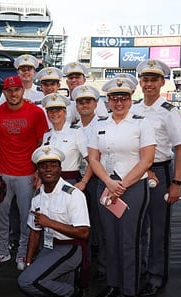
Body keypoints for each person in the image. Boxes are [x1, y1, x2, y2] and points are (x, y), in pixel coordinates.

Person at [88, 78, 156, 297]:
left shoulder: (141, 123)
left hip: (133, 186)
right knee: (109, 238)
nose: (119, 102)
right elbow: (93, 158)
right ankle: (112, 283)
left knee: (129, 239)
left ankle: (128, 287)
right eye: (114, 98)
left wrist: (122, 185)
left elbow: (147, 160)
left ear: (130, 100)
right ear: (108, 101)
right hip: (106, 185)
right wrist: (109, 182)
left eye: (124, 98)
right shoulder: (99, 124)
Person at [131, 59, 181, 297]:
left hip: (161, 172)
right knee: (139, 226)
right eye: (145, 79)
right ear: (140, 82)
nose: (149, 84)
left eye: (154, 79)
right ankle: (141, 269)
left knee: (159, 228)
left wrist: (176, 183)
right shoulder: (134, 109)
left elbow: (180, 149)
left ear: (162, 82)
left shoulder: (169, 112)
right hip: (136, 173)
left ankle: (157, 276)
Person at [18, 145, 90, 297]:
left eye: (52, 165)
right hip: (48, 247)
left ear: (60, 169)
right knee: (39, 280)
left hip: (69, 247)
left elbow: (84, 232)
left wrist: (50, 223)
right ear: (38, 171)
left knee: (27, 282)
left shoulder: (73, 195)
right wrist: (29, 263)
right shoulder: (37, 197)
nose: (48, 169)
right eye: (43, 166)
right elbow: (35, 232)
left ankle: (72, 293)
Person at [0, 75, 49, 270]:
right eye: (9, 90)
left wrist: (38, 171)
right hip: (4, 171)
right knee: (0, 214)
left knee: (26, 216)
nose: (13, 93)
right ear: (4, 92)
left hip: (27, 173)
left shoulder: (36, 112)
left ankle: (23, 253)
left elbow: (42, 143)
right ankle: (2, 250)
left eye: (16, 89)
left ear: (23, 90)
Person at [72, 84, 106, 281]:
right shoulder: (74, 126)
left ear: (95, 103)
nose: (84, 105)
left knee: (99, 223)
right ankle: (82, 262)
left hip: (97, 179)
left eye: (88, 101)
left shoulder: (104, 123)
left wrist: (85, 181)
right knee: (80, 222)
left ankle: (101, 265)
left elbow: (97, 157)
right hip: (79, 178)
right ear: (76, 105)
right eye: (80, 102)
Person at [41, 93, 89, 186]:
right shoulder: (47, 135)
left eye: (58, 110)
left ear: (65, 112)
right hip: (48, 182)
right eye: (51, 111)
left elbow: (91, 160)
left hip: (70, 181)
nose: (54, 114)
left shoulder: (76, 132)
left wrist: (84, 181)